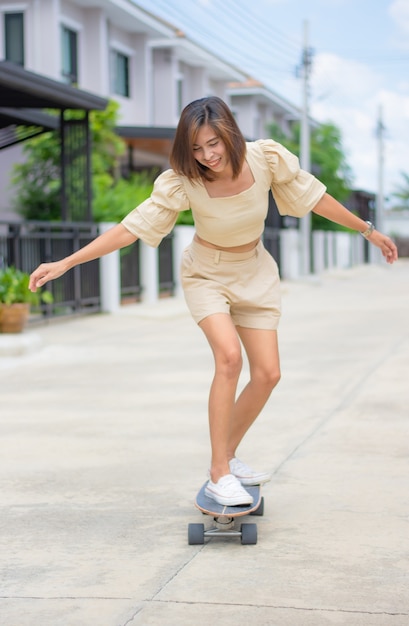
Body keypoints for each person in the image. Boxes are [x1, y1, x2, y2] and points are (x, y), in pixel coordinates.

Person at [29, 96, 398, 506]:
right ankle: (219, 472)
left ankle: (227, 456)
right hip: (206, 273)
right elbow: (131, 228)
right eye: (197, 149)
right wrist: (67, 262)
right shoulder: (184, 179)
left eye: (213, 144)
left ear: (229, 134)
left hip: (255, 271)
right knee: (228, 358)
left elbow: (315, 199)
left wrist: (369, 230)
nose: (207, 156)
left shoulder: (266, 159)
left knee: (268, 374)